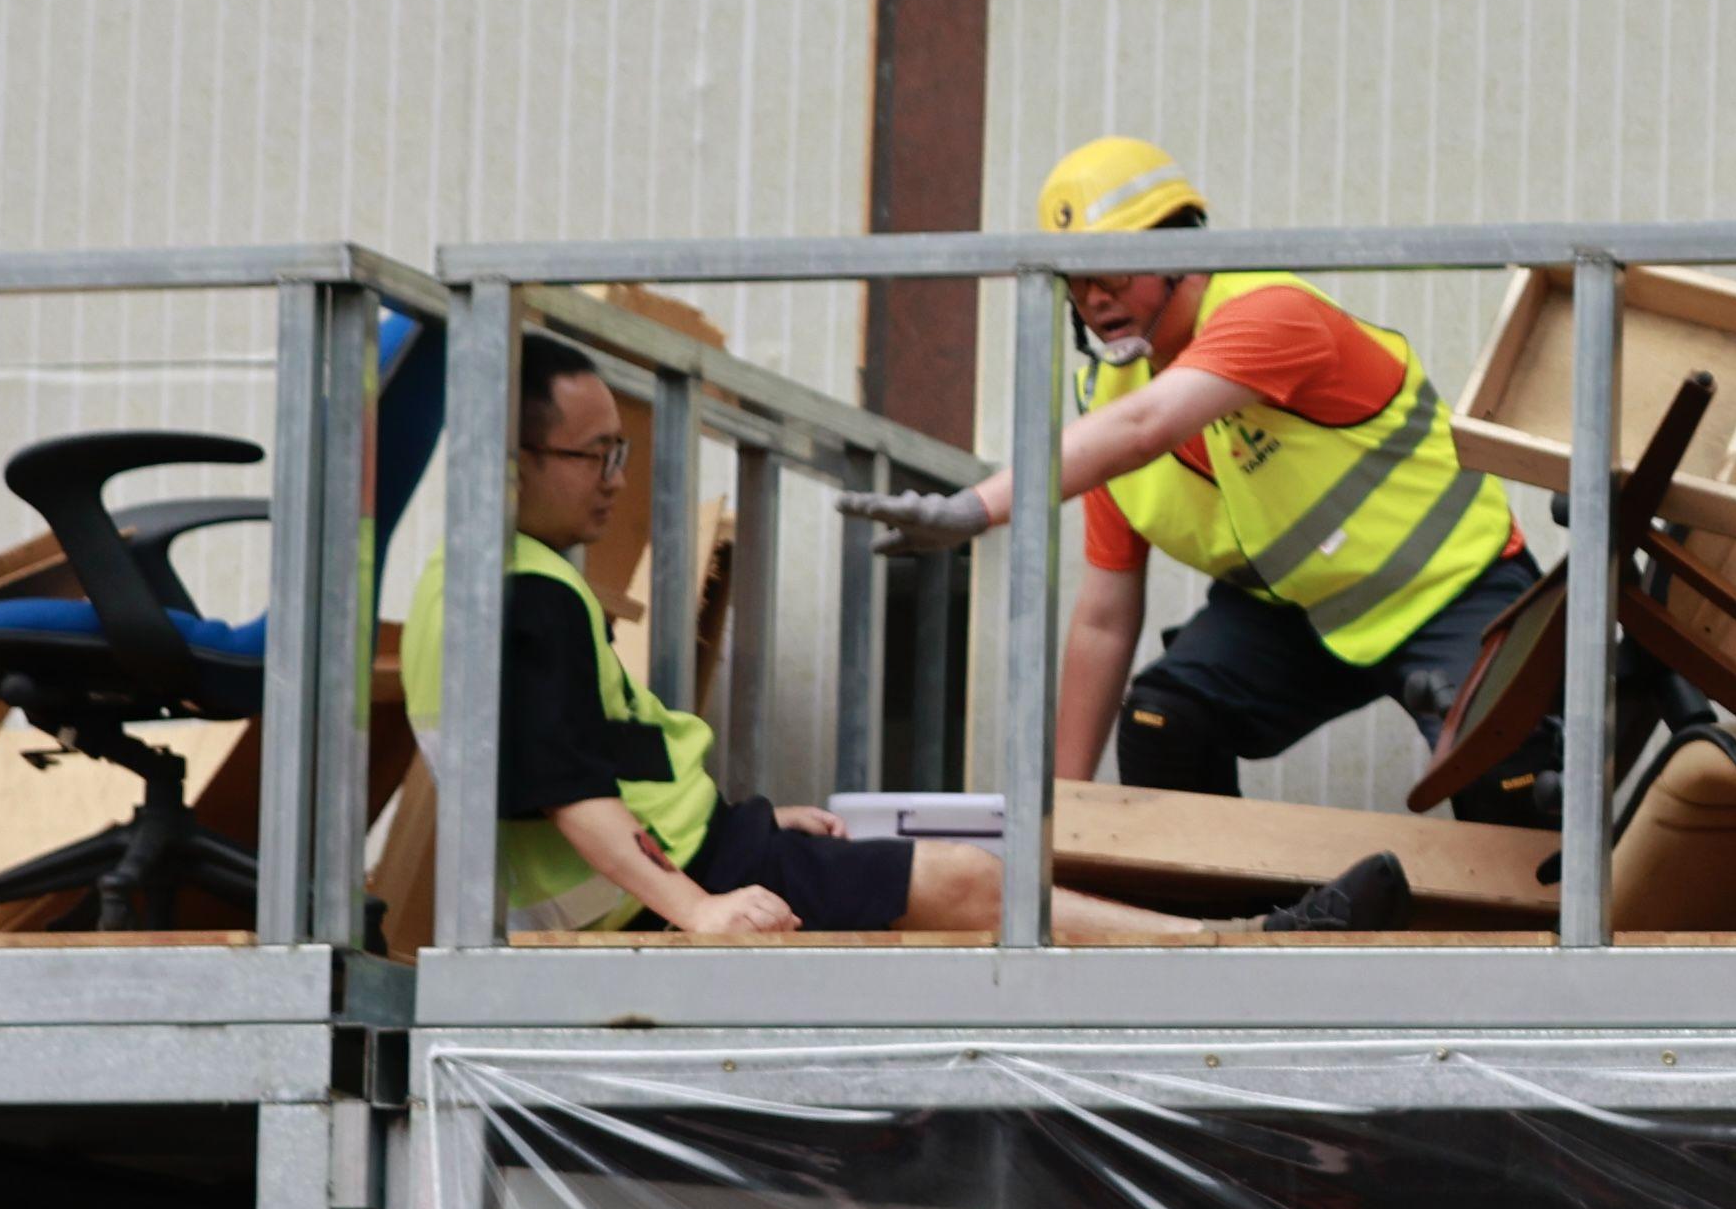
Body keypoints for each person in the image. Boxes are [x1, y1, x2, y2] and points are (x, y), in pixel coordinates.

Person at [410, 330, 1404, 941]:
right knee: (976, 886)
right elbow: (573, 797)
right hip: (677, 885)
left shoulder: (472, 585)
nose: (617, 478)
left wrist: (748, 821)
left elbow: (598, 769)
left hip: (698, 855)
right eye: (596, 455)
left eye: (621, 450)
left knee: (959, 873)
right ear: (512, 461)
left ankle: (1230, 939)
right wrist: (700, 908)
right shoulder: (522, 595)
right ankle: (1235, 947)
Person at [850, 141, 1543, 823]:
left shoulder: (1267, 313)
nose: (1094, 298)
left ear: (1180, 252)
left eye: (1114, 272)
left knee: (1509, 771)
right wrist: (1061, 823)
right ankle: (1208, 928)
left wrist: (977, 508)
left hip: (1453, 587)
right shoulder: (1108, 403)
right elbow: (1103, 616)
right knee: (1162, 721)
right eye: (1074, 280)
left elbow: (1147, 426)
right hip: (1301, 615)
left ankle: (1539, 933)